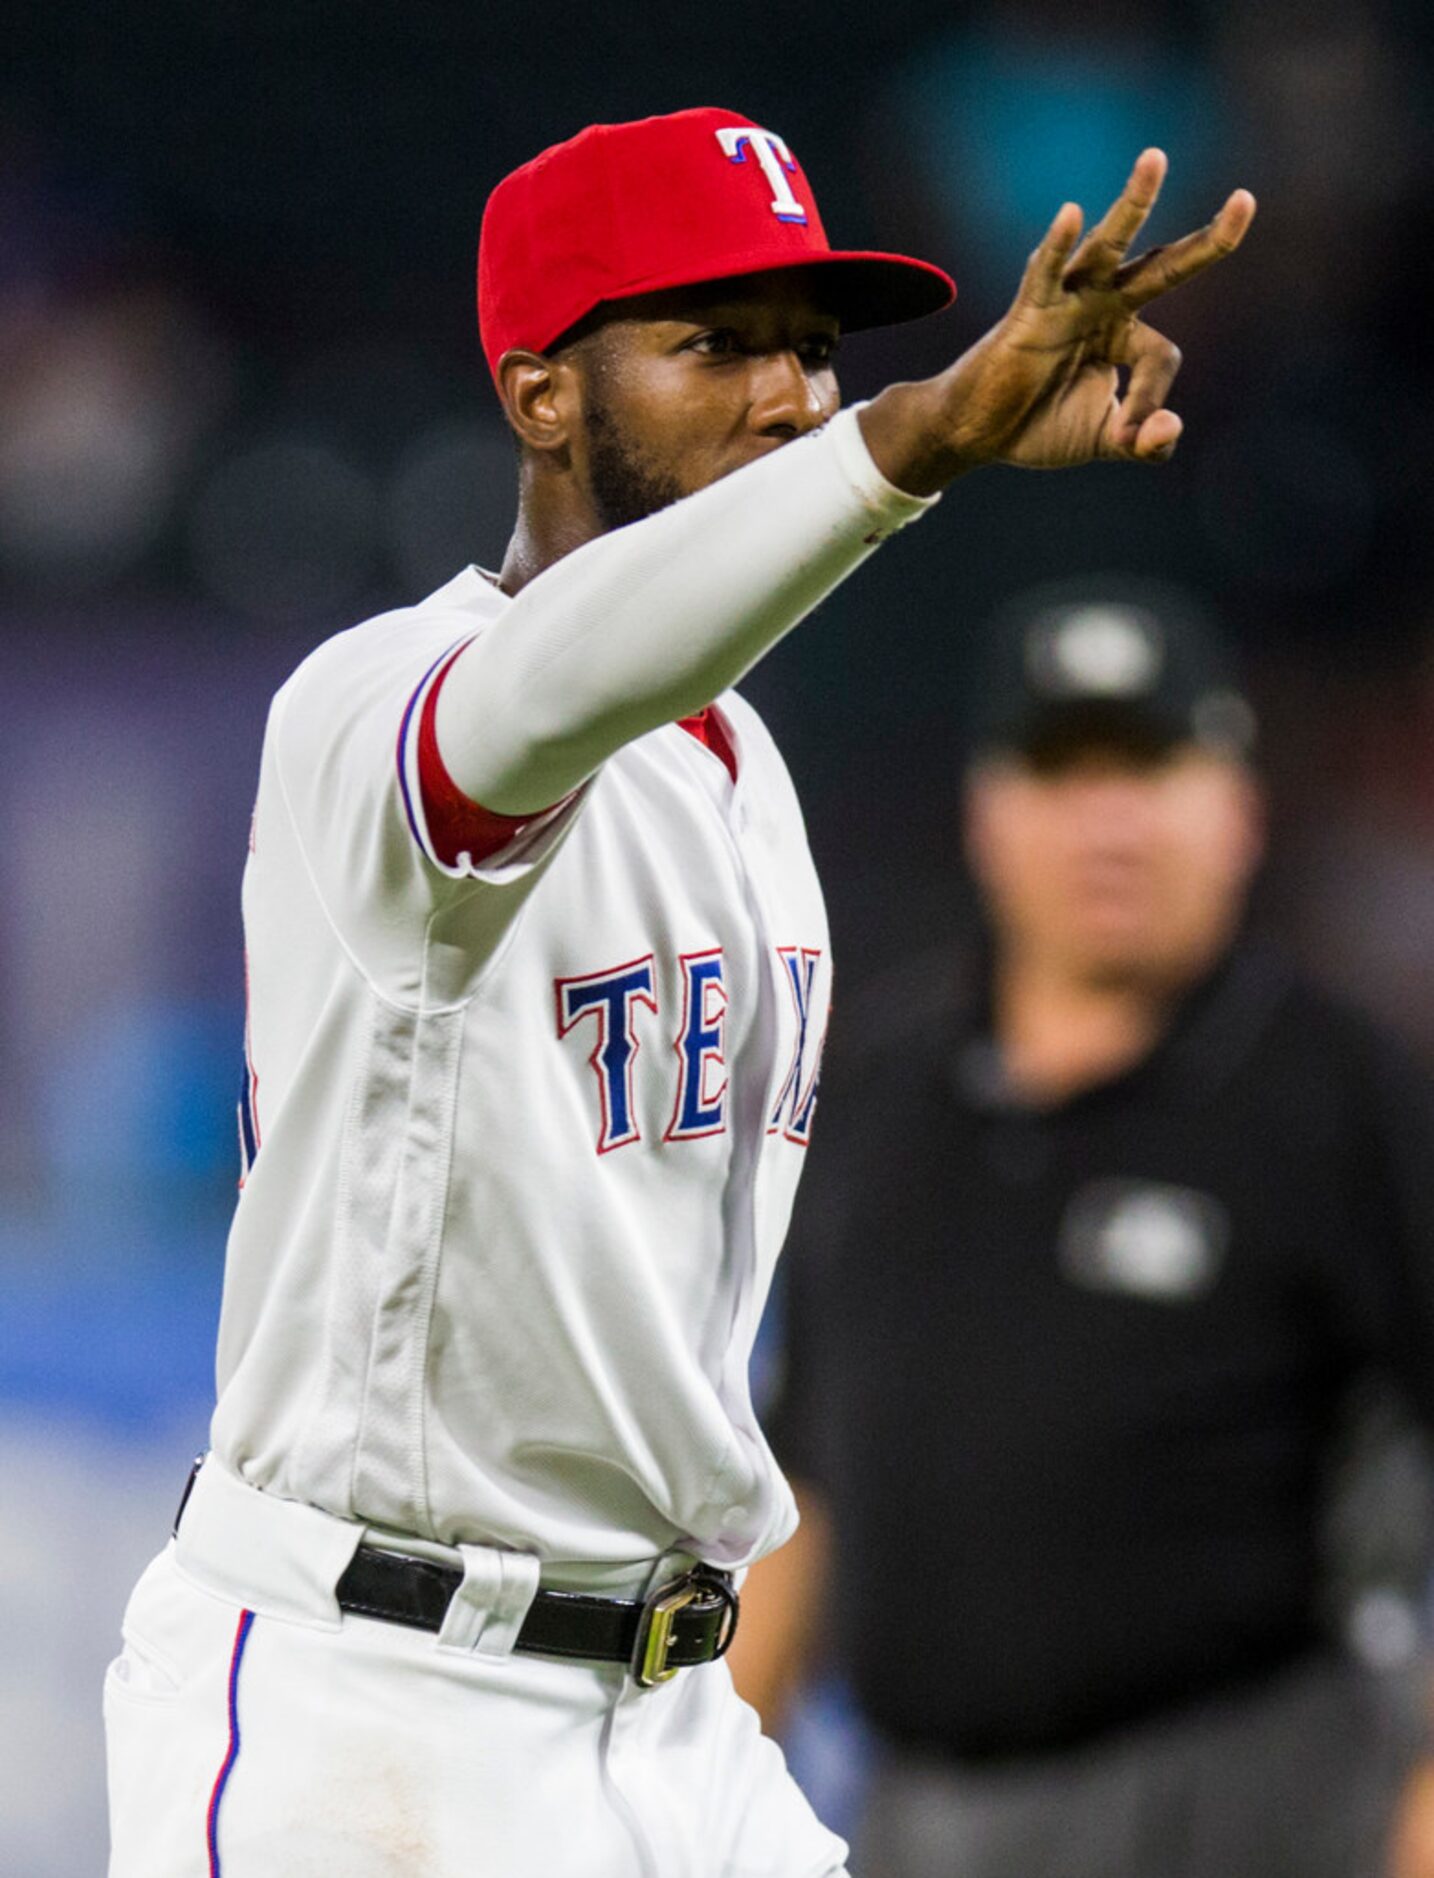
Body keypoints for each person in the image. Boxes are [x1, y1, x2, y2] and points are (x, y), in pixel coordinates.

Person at [102, 108, 1253, 1877]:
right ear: (539, 394)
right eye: (711, 344)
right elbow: (553, 683)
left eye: (811, 353)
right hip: (377, 1705)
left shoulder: (741, 773)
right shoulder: (379, 699)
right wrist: (915, 436)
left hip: (672, 1718)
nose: (788, 398)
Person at [731, 583, 1434, 1878]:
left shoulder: (1337, 1095)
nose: (1105, 818)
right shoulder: (881, 1087)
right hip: (918, 1814)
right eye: (1058, 767)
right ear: (985, 810)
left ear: (1236, 809)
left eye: (1151, 764)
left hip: (1257, 1806)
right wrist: (714, 1778)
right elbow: (806, 1471)